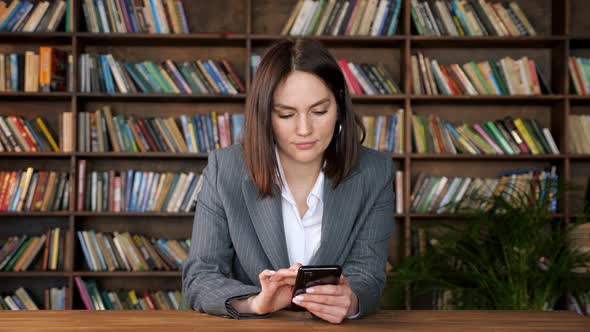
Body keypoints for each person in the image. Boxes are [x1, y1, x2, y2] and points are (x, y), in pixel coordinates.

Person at [182, 38, 395, 324]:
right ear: (265, 116)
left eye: (319, 111)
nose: (304, 129)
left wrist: (350, 299)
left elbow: (368, 276)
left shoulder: (375, 171)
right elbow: (200, 277)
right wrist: (255, 302)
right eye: (286, 114)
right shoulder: (225, 170)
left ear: (340, 109)